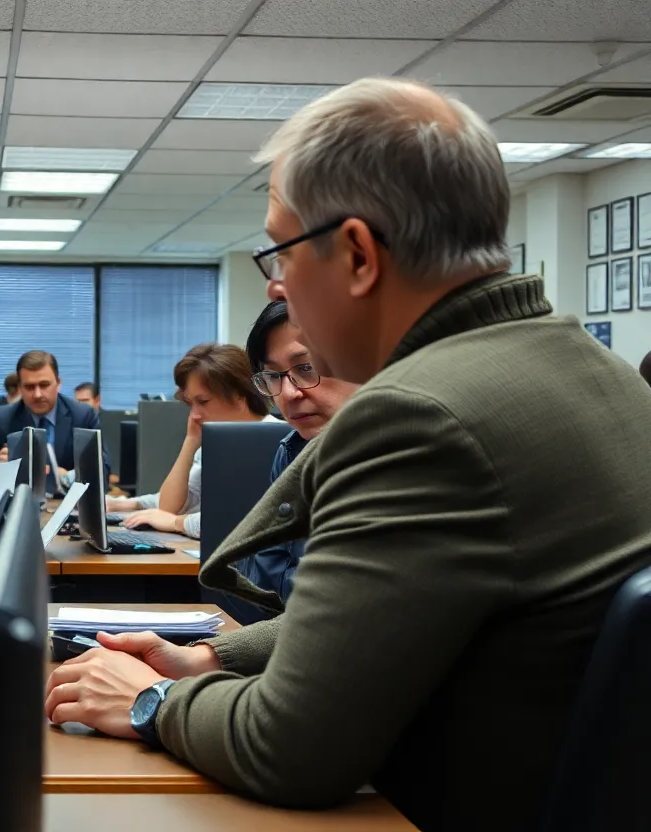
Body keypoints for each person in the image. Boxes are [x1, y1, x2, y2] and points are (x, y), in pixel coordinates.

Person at [42, 78, 651, 832]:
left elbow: (288, 751)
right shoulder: (604, 377)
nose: (276, 282)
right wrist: (215, 659)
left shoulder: (416, 417)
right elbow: (416, 618)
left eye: (282, 250)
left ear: (359, 254)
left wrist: (147, 700)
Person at [229, 300, 356, 616]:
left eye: (306, 367)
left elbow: (345, 608)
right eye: (272, 376)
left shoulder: (396, 458)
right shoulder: (291, 450)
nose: (288, 394)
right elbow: (266, 582)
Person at [106, 344, 280, 539]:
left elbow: (240, 520)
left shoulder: (274, 442)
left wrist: (175, 523)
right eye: (190, 404)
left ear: (239, 395)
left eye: (203, 401)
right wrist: (191, 441)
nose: (194, 415)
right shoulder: (215, 442)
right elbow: (169, 507)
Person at [0, 350, 109, 488]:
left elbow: (103, 471)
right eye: (29, 387)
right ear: (20, 388)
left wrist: (67, 476)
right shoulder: (4, 417)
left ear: (58, 383)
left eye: (44, 385)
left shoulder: (83, 415)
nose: (38, 394)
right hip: (21, 506)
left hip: (68, 508)